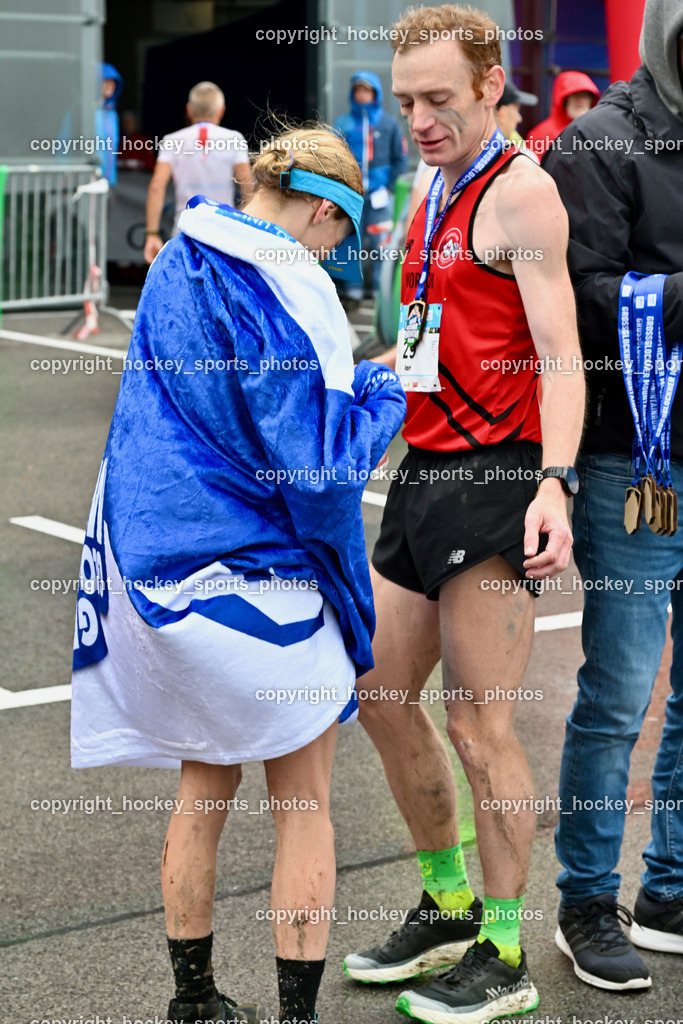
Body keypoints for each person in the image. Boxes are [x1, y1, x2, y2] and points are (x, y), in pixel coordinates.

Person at [70, 123, 407, 1024]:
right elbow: (319, 470)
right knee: (304, 803)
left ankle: (193, 1004)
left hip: (168, 578)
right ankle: (295, 1016)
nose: (337, 255)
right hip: (271, 585)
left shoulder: (183, 255)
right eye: (342, 231)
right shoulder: (296, 286)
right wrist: (383, 395)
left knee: (202, 786)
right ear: (318, 207)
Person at [341, 5, 585, 1023]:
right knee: (378, 694)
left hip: (496, 476)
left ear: (491, 86)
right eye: (405, 102)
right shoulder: (434, 185)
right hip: (421, 468)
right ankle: (445, 903)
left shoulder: (523, 194)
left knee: (480, 728)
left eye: (438, 99)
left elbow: (562, 352)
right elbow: (437, 330)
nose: (419, 118)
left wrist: (553, 483)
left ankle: (501, 947)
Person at [543, 0, 683, 993]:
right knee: (619, 692)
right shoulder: (594, 140)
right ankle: (585, 897)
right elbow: (579, 293)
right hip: (631, 460)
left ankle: (669, 887)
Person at [144, 81, 253, 264]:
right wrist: (251, 230)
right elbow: (247, 186)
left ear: (189, 109)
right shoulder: (234, 139)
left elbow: (156, 186)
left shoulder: (172, 141)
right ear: (221, 111)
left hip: (185, 230)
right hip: (223, 230)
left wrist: (152, 234)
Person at [334, 71, 408, 307]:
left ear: (376, 93)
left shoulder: (388, 123)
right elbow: (334, 156)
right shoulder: (343, 123)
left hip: (379, 196)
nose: (362, 94)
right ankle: (352, 292)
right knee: (349, 241)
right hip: (351, 195)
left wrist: (388, 188)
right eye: (358, 89)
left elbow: (400, 157)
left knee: (381, 243)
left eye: (367, 90)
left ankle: (379, 292)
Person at [526, 70, 600, 158]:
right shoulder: (540, 135)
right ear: (564, 99)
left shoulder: (598, 133)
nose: (580, 100)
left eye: (585, 95)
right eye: (575, 94)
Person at [495, 80, 539, 162]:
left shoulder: (471, 151)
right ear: (502, 113)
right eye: (517, 111)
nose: (519, 119)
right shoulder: (522, 157)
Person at [96, 62, 123, 186]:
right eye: (106, 80)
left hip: (109, 182)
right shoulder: (82, 111)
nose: (111, 85)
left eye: (113, 81)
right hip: (88, 181)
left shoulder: (112, 114)